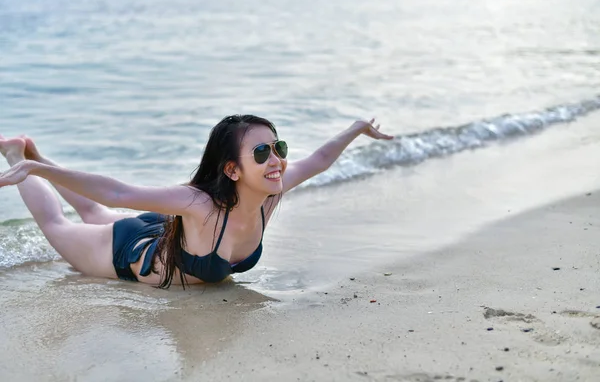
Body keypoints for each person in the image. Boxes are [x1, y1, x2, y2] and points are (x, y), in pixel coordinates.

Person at [0, 115, 393, 288]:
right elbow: (117, 192)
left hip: (163, 235)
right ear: (232, 170)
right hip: (127, 254)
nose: (277, 161)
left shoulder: (268, 194)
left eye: (279, 148)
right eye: (261, 153)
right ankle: (20, 158)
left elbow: (319, 161)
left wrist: (357, 128)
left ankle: (33, 158)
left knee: (93, 213)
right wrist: (40, 174)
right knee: (59, 225)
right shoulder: (199, 203)